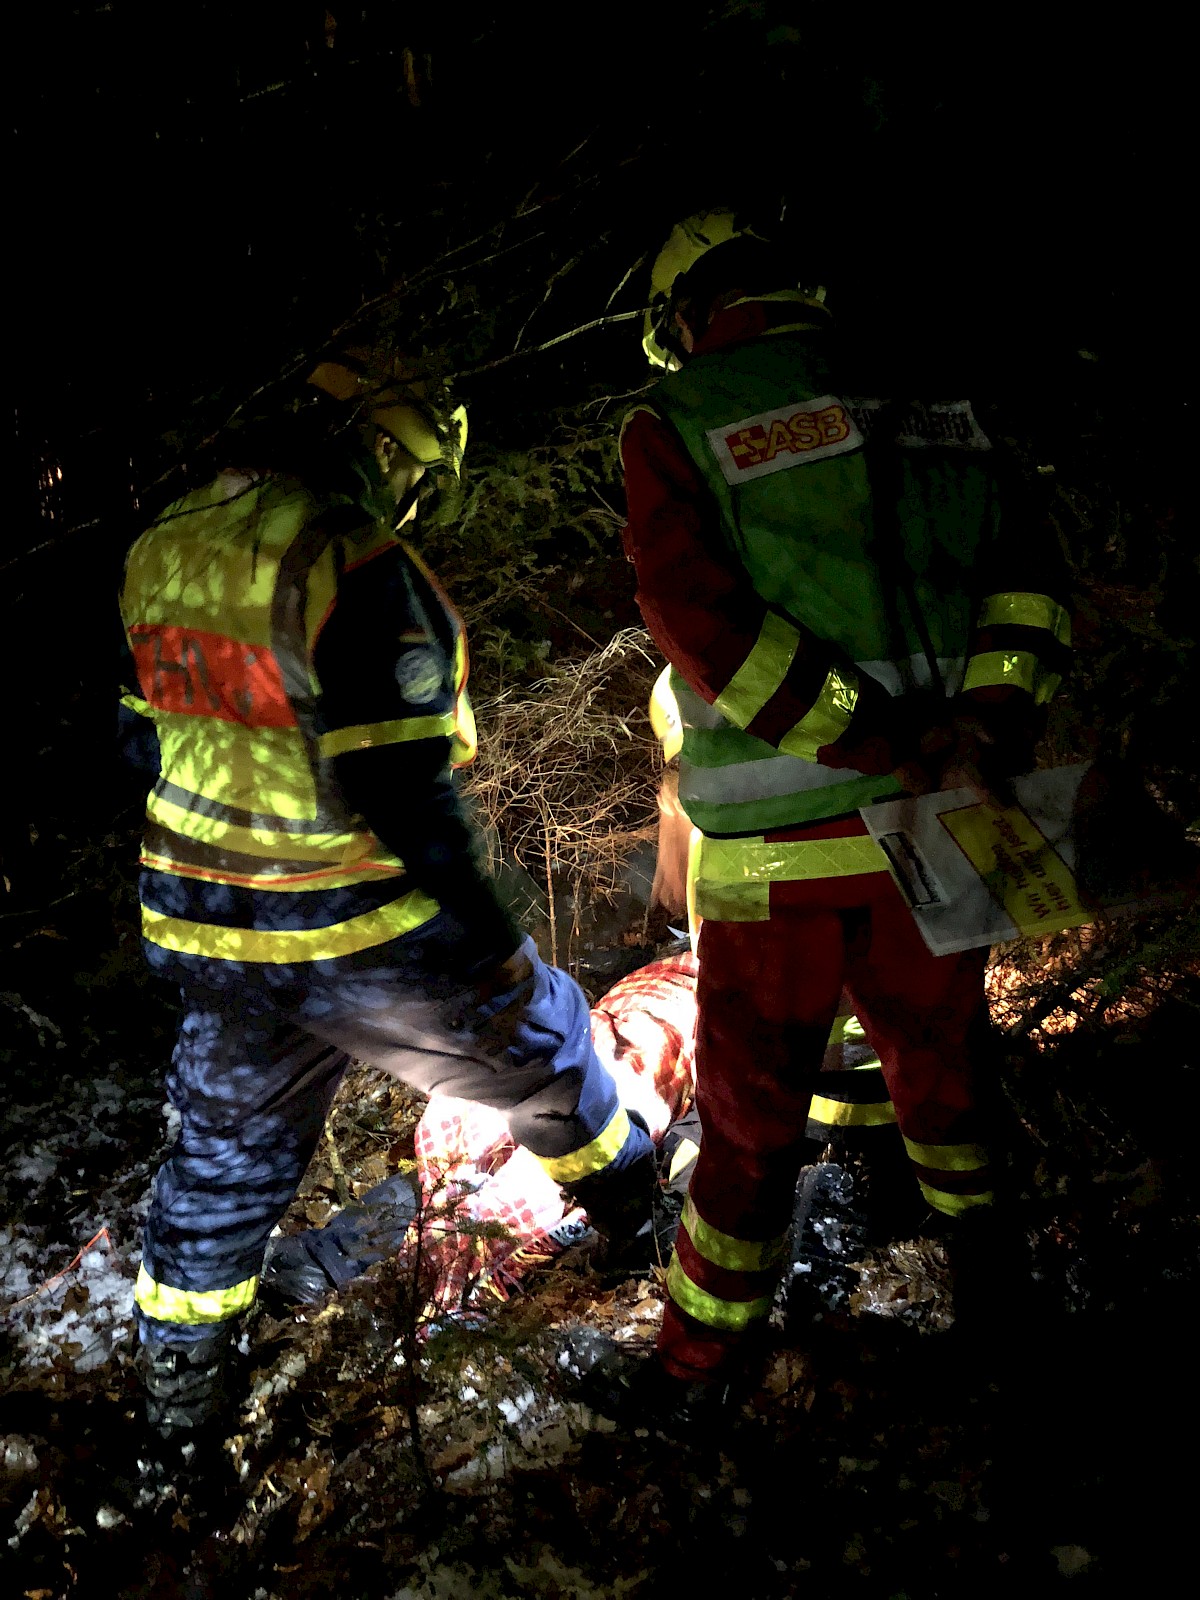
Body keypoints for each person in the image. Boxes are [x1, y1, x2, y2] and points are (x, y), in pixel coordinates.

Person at [117, 352, 655, 1441]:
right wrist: (492, 939)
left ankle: (179, 1419)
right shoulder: (351, 559)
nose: (407, 494)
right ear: (372, 442)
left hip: (210, 928)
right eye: (408, 469)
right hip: (357, 926)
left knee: (222, 1161)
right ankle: (645, 1225)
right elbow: (403, 787)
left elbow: (140, 736)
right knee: (548, 1045)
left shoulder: (160, 545)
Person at [617, 210, 1071, 1397]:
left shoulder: (679, 416)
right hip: (948, 820)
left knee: (753, 1118)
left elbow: (700, 622)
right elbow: (1026, 584)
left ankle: (698, 1370)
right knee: (949, 1075)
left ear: (683, 318)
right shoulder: (936, 400)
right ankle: (999, 1303)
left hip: (783, 852)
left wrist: (862, 733)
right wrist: (982, 726)